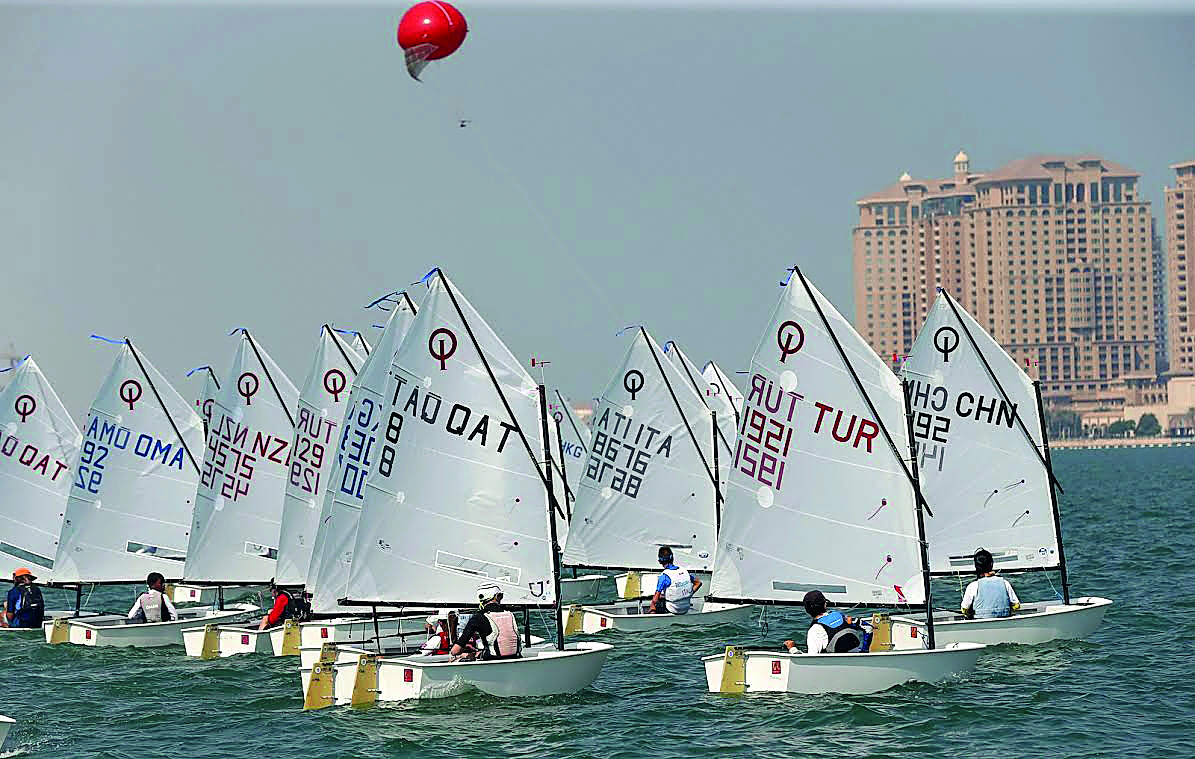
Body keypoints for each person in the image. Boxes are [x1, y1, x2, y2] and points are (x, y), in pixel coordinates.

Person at [450, 584, 521, 662]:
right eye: (501, 596)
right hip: (515, 659)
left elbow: (455, 651)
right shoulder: (510, 614)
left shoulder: (478, 617)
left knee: (458, 658)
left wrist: (466, 652)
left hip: (492, 662)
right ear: (497, 597)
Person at [783, 590, 866, 654]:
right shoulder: (842, 616)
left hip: (836, 669)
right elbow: (867, 628)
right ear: (825, 605)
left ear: (807, 610)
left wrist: (792, 648)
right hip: (859, 660)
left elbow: (810, 661)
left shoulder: (815, 630)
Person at [961, 548, 1021, 619]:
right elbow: (1017, 605)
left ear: (976, 566)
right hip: (1004, 622)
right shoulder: (1005, 583)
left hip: (980, 623)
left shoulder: (972, 586)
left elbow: (964, 609)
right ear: (991, 564)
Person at [647, 546, 701, 615]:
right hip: (686, 608)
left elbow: (655, 599)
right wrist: (689, 594)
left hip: (673, 609)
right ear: (672, 558)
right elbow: (698, 583)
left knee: (655, 603)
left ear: (660, 561)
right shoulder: (684, 571)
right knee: (662, 597)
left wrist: (652, 605)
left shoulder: (664, 576)